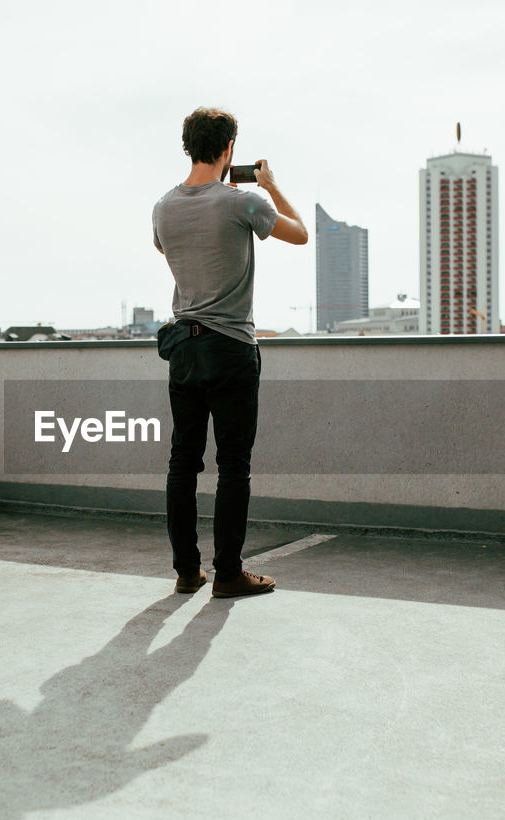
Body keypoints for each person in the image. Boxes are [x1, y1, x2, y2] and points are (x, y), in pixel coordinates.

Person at [151, 107, 308, 598]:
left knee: (183, 461)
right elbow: (300, 233)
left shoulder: (162, 208)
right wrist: (270, 186)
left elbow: (168, 250)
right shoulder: (244, 203)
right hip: (232, 349)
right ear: (228, 149)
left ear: (188, 145)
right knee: (233, 464)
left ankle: (185, 571)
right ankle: (228, 574)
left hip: (183, 348)